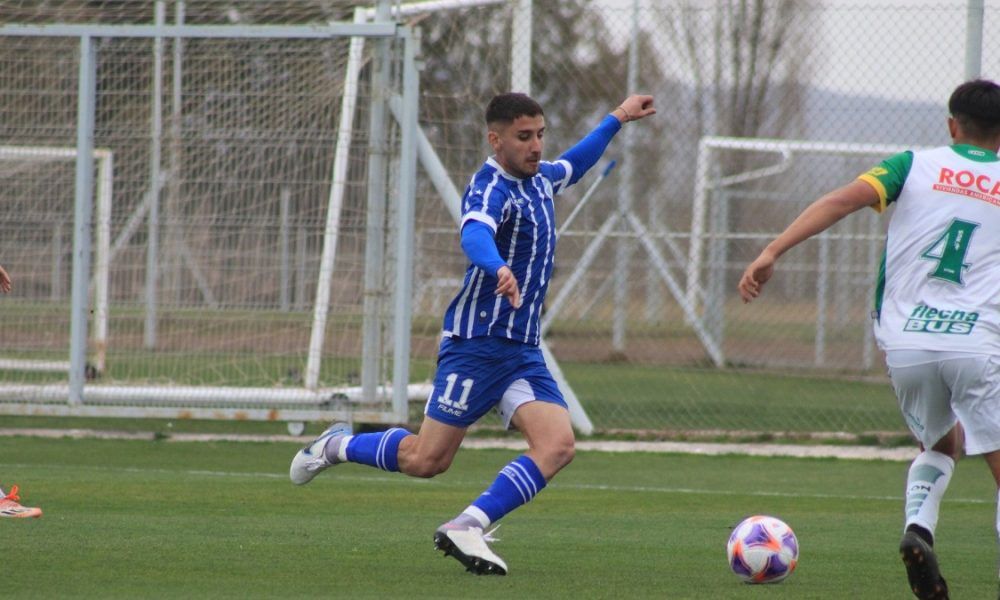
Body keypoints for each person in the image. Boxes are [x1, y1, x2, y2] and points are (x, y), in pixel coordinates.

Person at [290, 92, 655, 575]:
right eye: (524, 137)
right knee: (427, 460)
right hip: (476, 346)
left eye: (540, 135)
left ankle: (468, 525)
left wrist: (617, 118)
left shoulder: (541, 181)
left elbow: (576, 163)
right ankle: (334, 445)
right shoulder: (490, 188)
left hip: (522, 351)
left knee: (558, 446)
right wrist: (497, 265)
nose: (536, 146)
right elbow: (474, 233)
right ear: (495, 138)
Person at [738, 79, 1000, 600]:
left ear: (952, 126)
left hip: (906, 343)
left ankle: (920, 527)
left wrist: (773, 250)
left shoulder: (911, 164)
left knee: (940, 442)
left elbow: (840, 200)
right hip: (977, 342)